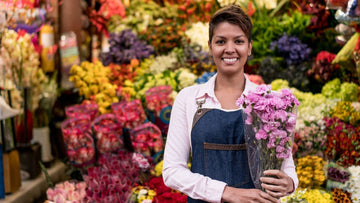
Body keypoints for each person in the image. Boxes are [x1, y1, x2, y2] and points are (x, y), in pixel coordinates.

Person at [162, 4, 298, 203]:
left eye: (239, 41)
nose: (229, 49)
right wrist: (226, 192)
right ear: (210, 47)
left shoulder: (269, 103)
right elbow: (172, 171)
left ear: (249, 47)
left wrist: (289, 183)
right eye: (220, 41)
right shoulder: (189, 99)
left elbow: (287, 169)